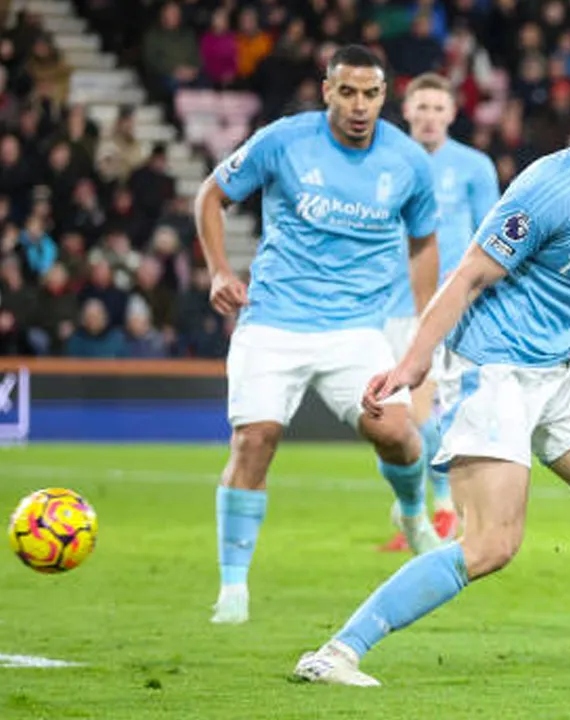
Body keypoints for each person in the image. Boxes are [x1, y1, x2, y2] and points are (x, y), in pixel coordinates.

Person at [292, 68, 570, 686]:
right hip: (492, 367)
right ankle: (335, 652)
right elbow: (467, 274)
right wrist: (414, 362)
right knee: (492, 544)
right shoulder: (551, 186)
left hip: (559, 370)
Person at [194, 45, 443, 626]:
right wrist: (218, 270)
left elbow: (425, 240)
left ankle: (411, 515)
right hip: (274, 320)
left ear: (386, 96)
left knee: (400, 435)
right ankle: (233, 589)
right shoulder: (284, 141)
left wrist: (422, 321)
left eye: (372, 94)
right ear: (327, 90)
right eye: (348, 92)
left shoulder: (407, 161)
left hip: (356, 330)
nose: (360, 106)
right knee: (254, 441)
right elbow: (211, 195)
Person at [380, 72, 500, 551]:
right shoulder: (385, 162)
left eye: (438, 108)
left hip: (450, 306)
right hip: (388, 306)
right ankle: (423, 508)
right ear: (407, 111)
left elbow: (491, 237)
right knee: (394, 420)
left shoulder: (473, 167)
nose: (429, 117)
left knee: (428, 410)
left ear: (453, 113)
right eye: (421, 107)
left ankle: (440, 509)